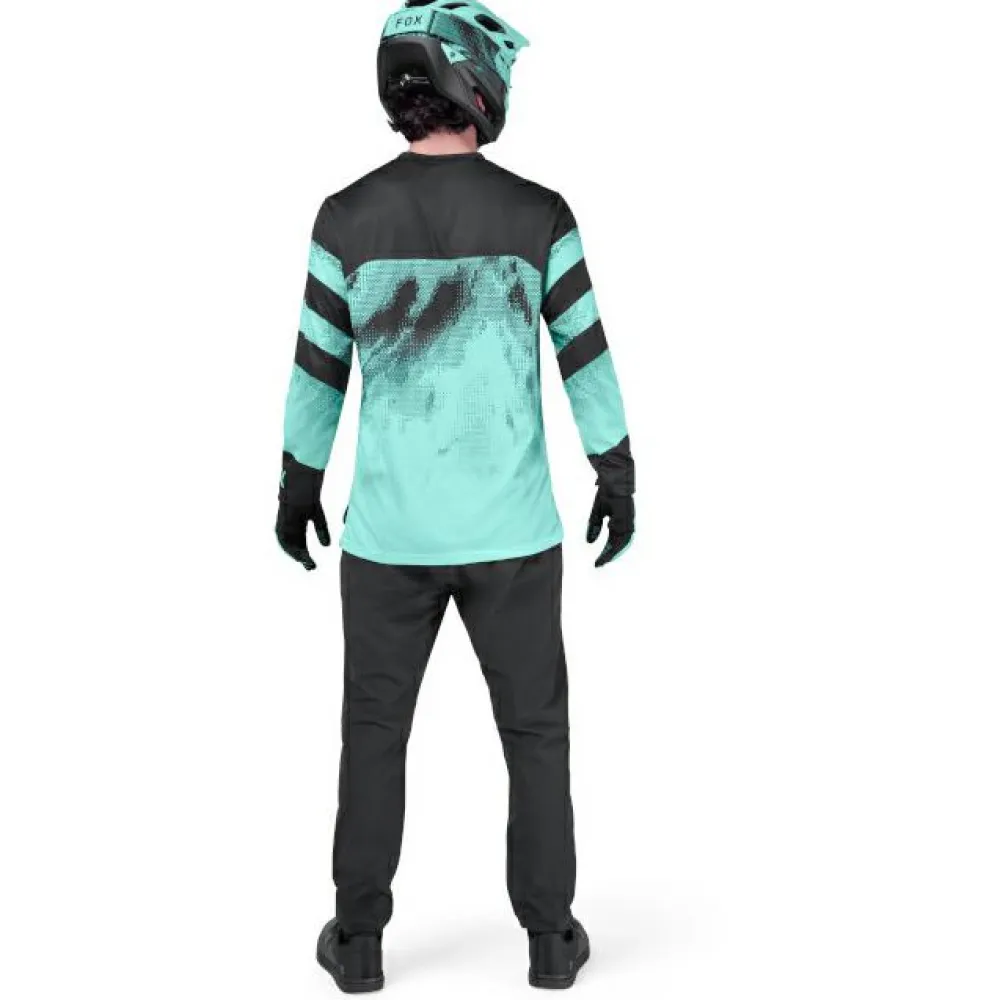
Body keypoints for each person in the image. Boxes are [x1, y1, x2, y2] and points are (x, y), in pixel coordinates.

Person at [275, 1, 635, 991]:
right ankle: (551, 941)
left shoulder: (344, 218)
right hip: (512, 533)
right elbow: (585, 355)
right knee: (535, 736)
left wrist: (298, 481)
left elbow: (317, 370)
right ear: (476, 79)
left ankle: (358, 944)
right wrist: (615, 468)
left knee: (372, 735)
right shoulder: (538, 215)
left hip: (388, 539)